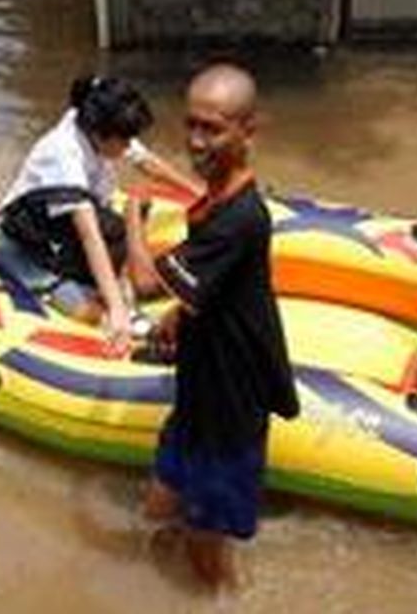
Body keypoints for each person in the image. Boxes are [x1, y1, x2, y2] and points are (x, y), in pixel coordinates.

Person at [124, 63, 299, 589]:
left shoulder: (239, 217)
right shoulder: (215, 199)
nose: (196, 141)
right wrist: (182, 313)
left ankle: (224, 599)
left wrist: (134, 215)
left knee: (207, 549)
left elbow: (146, 280)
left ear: (249, 130)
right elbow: (223, 285)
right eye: (191, 125)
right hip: (198, 390)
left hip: (228, 404)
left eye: (213, 129)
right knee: (157, 508)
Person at [0, 74, 201, 354]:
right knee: (89, 313)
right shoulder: (63, 157)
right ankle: (108, 304)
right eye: (125, 141)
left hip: (68, 235)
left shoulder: (95, 120)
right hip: (32, 251)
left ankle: (117, 286)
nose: (130, 147)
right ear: (98, 134)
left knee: (115, 235)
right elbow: (89, 235)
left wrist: (197, 193)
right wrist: (117, 309)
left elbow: (146, 162)